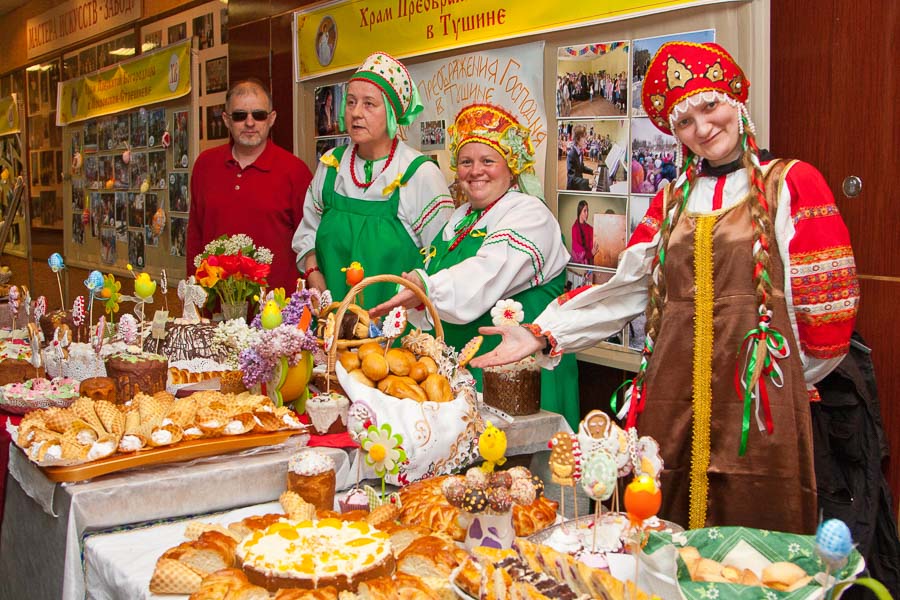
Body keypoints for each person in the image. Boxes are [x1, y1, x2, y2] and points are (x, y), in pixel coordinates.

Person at [471, 42, 859, 534]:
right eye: (685, 121)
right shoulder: (671, 199)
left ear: (735, 100)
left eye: (710, 106)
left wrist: (777, 383)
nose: (703, 127)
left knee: (755, 536)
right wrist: (541, 333)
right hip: (672, 399)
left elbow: (827, 309)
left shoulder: (790, 184)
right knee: (661, 526)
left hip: (759, 407)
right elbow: (627, 288)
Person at [370, 103, 580, 428]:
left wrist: (426, 286)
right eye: (466, 162)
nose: (475, 170)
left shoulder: (530, 214)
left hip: (520, 379)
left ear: (511, 166)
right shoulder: (460, 218)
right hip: (470, 376)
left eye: (488, 161)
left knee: (521, 456)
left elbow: (484, 276)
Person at [293, 52, 453, 308]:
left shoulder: (419, 173)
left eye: (369, 104)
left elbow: (441, 256)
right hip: (332, 318)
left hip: (396, 325)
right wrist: (312, 271)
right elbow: (308, 230)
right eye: (351, 102)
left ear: (391, 112)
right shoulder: (331, 166)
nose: (356, 113)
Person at [187, 78, 313, 292]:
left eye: (258, 115)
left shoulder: (295, 171)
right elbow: (195, 236)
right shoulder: (205, 166)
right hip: (216, 301)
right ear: (226, 120)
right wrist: (192, 292)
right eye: (239, 116)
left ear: (271, 118)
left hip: (275, 306)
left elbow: (309, 242)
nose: (250, 122)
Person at [566, 125, 593, 191]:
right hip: (573, 187)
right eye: (584, 138)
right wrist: (588, 181)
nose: (586, 141)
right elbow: (572, 179)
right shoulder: (571, 155)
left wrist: (592, 171)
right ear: (577, 139)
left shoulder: (580, 151)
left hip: (580, 183)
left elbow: (581, 167)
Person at [570, 200, 597, 265]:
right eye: (584, 211)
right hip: (579, 266)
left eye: (587, 211)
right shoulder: (574, 228)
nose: (587, 213)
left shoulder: (590, 228)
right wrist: (590, 253)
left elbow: (595, 242)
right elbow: (577, 251)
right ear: (580, 211)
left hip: (590, 264)